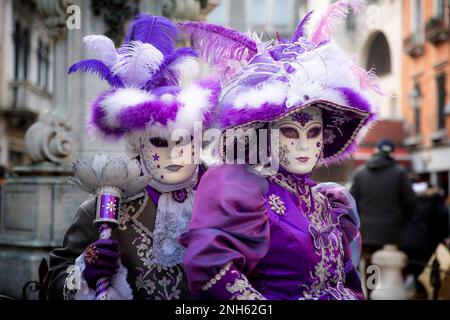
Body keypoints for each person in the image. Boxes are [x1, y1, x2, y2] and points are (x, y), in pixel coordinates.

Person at [179, 0, 380, 300]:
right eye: (289, 132)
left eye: (313, 133)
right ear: (267, 135)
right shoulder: (245, 188)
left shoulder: (330, 203)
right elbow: (211, 271)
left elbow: (349, 282)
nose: (302, 144)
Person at [46, 14, 220, 300]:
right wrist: (85, 270)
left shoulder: (224, 195)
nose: (175, 152)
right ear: (138, 144)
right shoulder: (106, 206)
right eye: (159, 142)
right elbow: (54, 280)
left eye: (184, 140)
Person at [350, 138, 416, 294]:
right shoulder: (399, 172)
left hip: (367, 232)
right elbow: (411, 202)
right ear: (392, 154)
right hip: (392, 233)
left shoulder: (360, 173)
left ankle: (372, 294)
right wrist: (402, 220)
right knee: (391, 268)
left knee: (372, 266)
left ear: (375, 152)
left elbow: (350, 204)